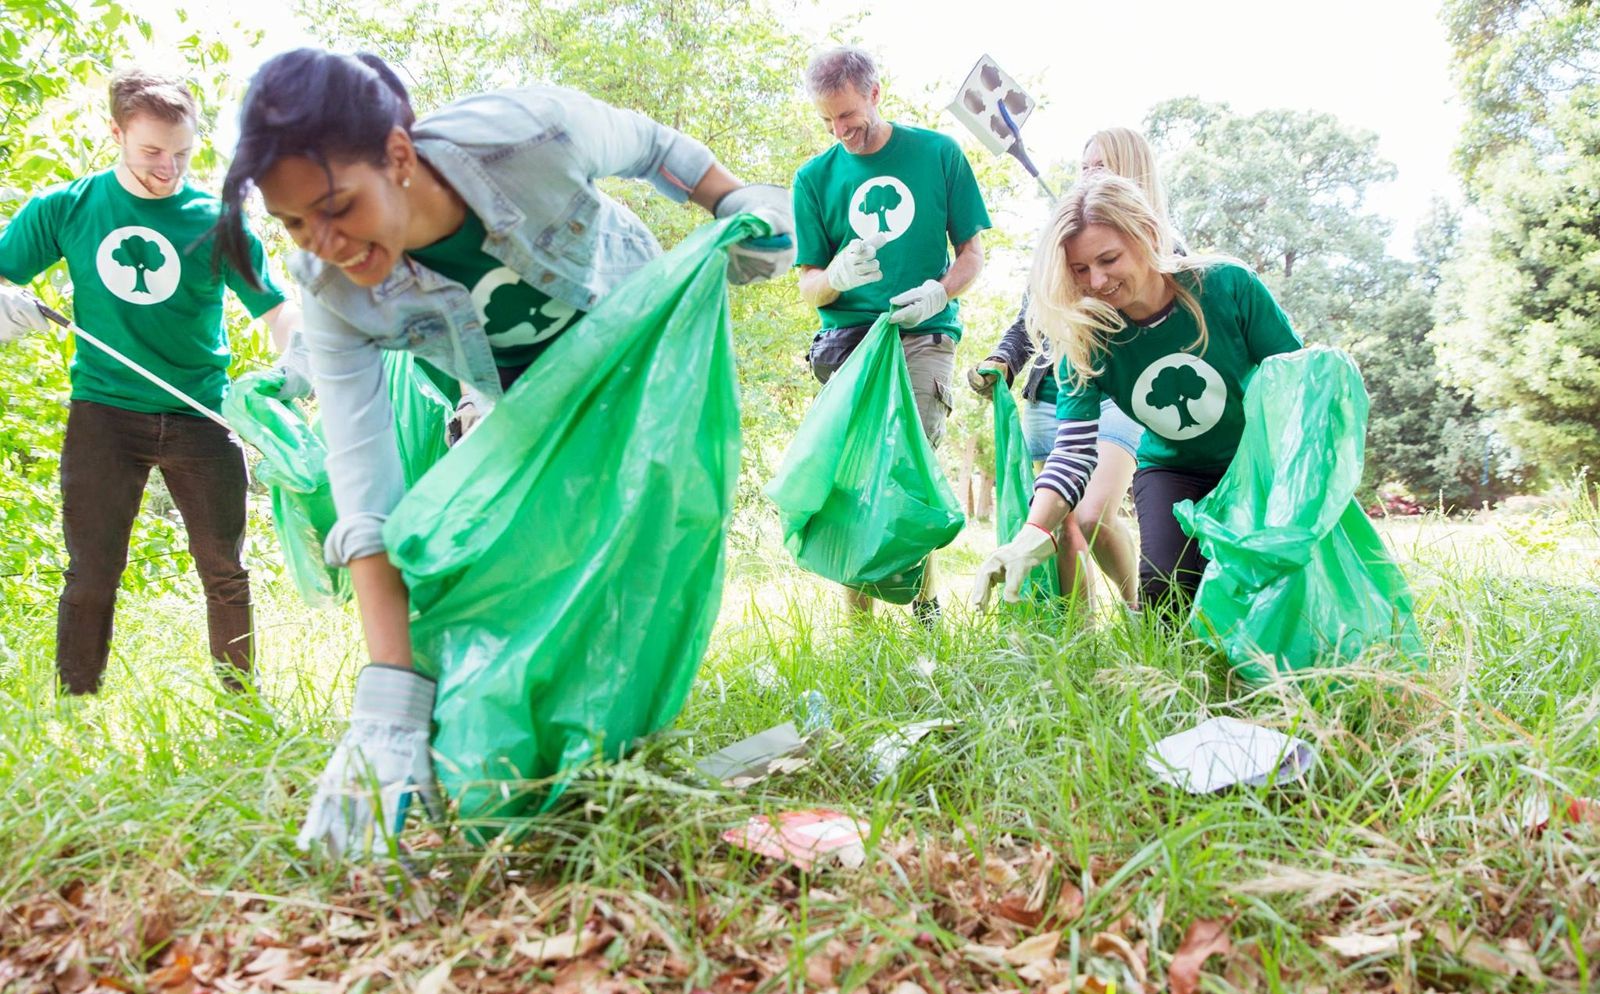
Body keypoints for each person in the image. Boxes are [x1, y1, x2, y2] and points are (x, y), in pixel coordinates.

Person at [214, 48, 795, 857]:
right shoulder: (331, 292)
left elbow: (655, 147)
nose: (326, 242)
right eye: (294, 223)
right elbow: (367, 491)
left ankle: (627, 740)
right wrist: (390, 698)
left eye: (338, 206)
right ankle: (565, 756)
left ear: (398, 154)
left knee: (643, 548)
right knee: (529, 562)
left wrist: (734, 200)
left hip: (639, 355)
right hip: (521, 407)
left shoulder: (528, 133)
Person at [0, 69, 303, 696]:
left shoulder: (217, 221)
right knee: (92, 573)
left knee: (226, 571)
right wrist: (10, 306)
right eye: (151, 152)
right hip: (105, 415)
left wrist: (294, 365)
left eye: (184, 153)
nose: (169, 168)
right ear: (116, 133)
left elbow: (276, 309)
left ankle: (241, 705)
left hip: (202, 413)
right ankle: (76, 704)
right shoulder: (67, 207)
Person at [970, 173, 1302, 616]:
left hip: (1256, 462)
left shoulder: (1227, 286)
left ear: (1146, 234)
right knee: (1165, 593)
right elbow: (1072, 452)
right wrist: (1033, 532)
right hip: (1174, 471)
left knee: (1272, 588)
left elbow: (1296, 381)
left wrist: (1301, 470)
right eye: (1079, 270)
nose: (1097, 281)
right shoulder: (1086, 340)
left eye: (1109, 259)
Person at [792, 45, 991, 624]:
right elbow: (808, 286)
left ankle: (926, 611)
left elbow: (973, 254)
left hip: (922, 335)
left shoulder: (937, 154)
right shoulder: (815, 178)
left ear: (876, 94)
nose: (840, 130)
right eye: (828, 120)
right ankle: (862, 628)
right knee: (853, 478)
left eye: (848, 115)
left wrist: (940, 292)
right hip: (849, 345)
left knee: (910, 470)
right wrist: (834, 276)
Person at [968, 128, 1181, 612]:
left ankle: (1137, 613)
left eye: (1101, 166)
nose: (1088, 175)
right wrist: (1004, 361)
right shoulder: (1065, 240)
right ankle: (1077, 637)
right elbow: (1033, 313)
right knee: (1061, 521)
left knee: (1092, 514)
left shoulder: (1167, 246)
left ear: (1134, 170)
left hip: (1124, 393)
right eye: (1085, 167)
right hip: (1059, 387)